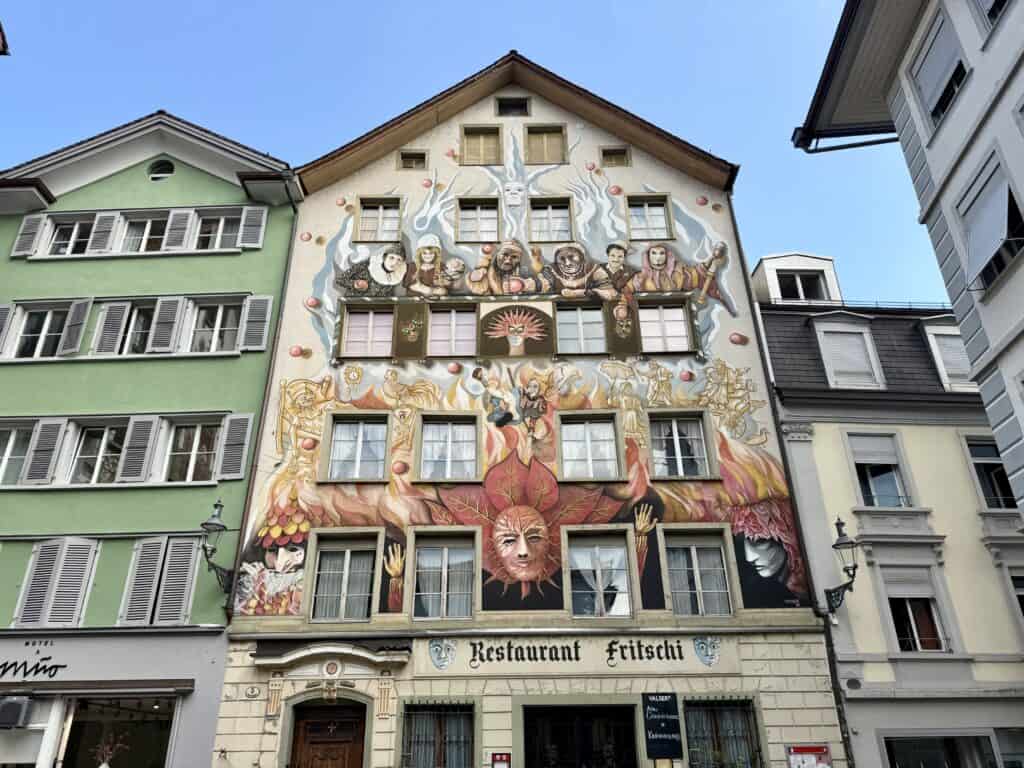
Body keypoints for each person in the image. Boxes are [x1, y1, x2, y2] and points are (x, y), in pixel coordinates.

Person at [629, 242, 721, 299]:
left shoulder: (679, 272)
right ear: (648, 256)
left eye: (662, 253)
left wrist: (710, 261)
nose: (658, 257)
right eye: (654, 253)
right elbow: (627, 290)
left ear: (667, 255)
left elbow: (695, 275)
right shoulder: (640, 278)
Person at [467, 239, 544, 296]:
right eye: (505, 255)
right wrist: (475, 277)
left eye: (514, 257)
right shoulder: (486, 270)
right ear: (497, 254)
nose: (508, 260)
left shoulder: (523, 272)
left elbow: (541, 283)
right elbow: (477, 287)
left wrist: (524, 285)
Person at [335, 242, 408, 296]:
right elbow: (340, 279)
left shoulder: (393, 279)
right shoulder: (367, 265)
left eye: (399, 260)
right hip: (352, 306)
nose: (395, 262)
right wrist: (355, 284)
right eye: (391, 258)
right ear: (384, 257)